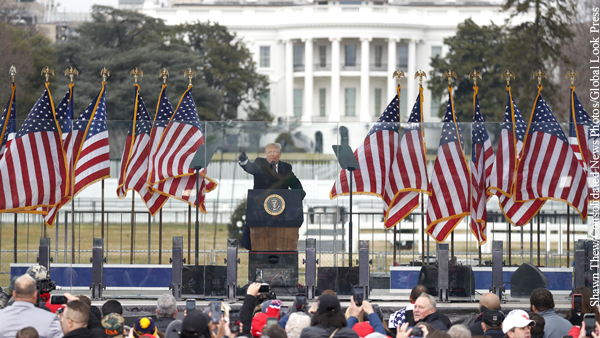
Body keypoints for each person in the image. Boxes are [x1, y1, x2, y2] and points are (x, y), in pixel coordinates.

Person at [238, 143, 305, 250]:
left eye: (275, 152)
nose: (272, 154)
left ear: (280, 154)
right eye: (269, 152)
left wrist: (299, 193)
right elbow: (250, 168)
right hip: (260, 210)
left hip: (281, 211)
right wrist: (244, 161)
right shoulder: (260, 163)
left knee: (279, 237)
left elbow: (294, 182)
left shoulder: (286, 168)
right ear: (265, 154)